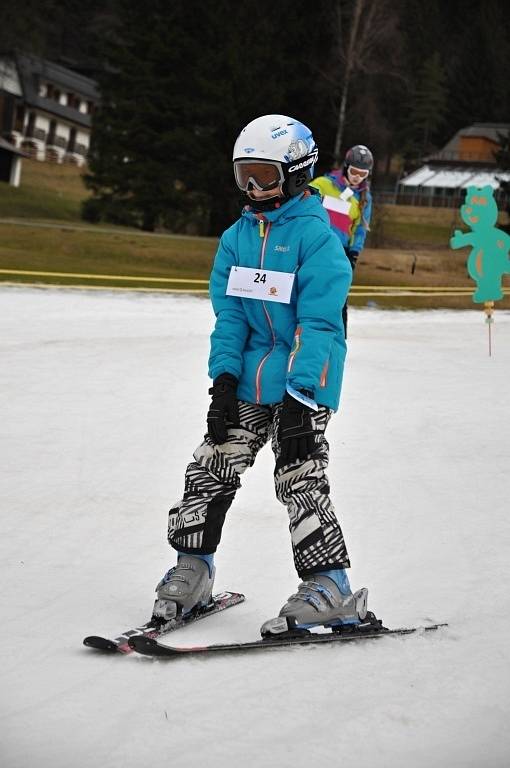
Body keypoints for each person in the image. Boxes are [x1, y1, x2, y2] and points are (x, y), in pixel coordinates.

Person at [152, 115, 372, 638]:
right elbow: (229, 317)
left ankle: (331, 586)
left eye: (264, 176)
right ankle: (195, 567)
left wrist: (302, 395)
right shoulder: (235, 239)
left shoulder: (318, 239)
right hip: (248, 378)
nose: (252, 188)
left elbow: (320, 324)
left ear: (297, 174)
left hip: (304, 379)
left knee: (299, 475)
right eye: (243, 175)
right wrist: (224, 381)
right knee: (210, 465)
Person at [310, 145, 374, 336]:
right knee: (309, 290)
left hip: (340, 253)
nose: (357, 177)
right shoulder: (322, 185)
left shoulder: (364, 198)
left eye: (362, 174)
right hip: (315, 249)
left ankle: (338, 339)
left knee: (338, 298)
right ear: (346, 167)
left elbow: (360, 229)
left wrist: (354, 253)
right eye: (354, 172)